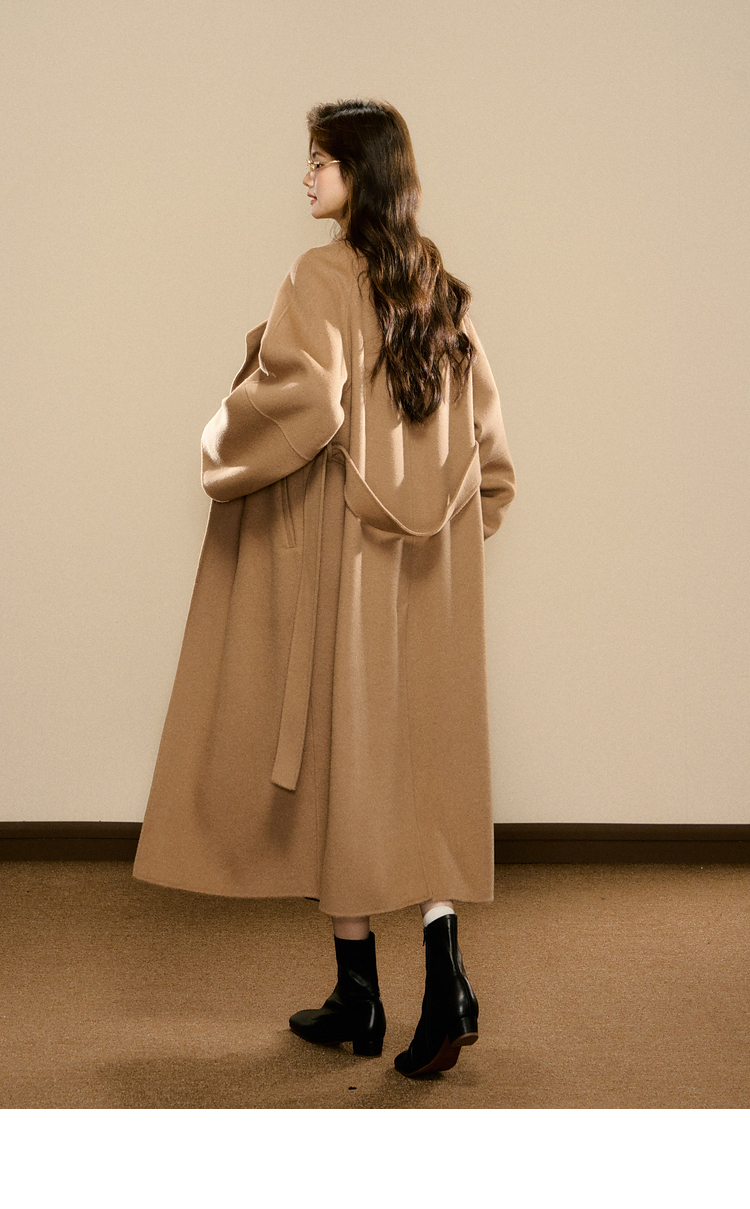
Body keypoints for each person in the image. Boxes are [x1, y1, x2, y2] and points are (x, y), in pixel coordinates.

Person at [133, 99, 515, 1077]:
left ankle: (368, 991)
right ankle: (431, 983)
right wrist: (462, 530)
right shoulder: (441, 289)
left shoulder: (320, 277)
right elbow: (487, 450)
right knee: (420, 776)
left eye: (320, 162)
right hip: (431, 583)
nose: (306, 178)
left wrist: (224, 427)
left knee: (341, 771)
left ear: (359, 173)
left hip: (348, 566)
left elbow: (301, 402)